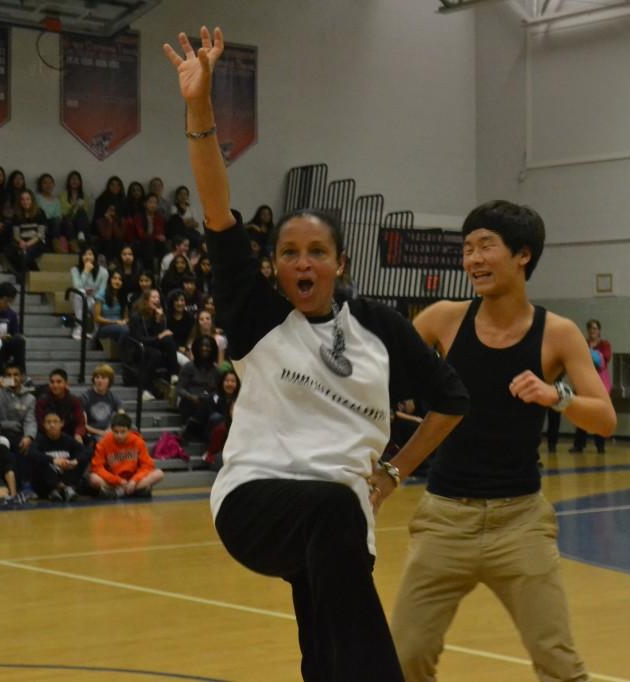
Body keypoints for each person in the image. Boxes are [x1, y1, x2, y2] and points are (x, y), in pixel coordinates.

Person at [164, 26, 470, 681]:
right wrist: (199, 108)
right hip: (256, 503)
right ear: (273, 265)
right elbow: (217, 210)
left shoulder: (380, 325)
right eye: (288, 252)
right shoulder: (257, 315)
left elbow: (452, 400)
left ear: (340, 262)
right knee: (334, 529)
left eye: (316, 252)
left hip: (342, 521)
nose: (302, 262)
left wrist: (394, 474)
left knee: (327, 644)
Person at [391, 199, 616, 681]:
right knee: (405, 657)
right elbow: (381, 378)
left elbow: (605, 419)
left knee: (558, 662)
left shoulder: (558, 333)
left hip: (521, 523)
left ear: (523, 255)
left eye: (486, 246)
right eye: (467, 248)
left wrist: (555, 396)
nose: (473, 259)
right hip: (445, 520)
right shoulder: (441, 320)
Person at [0, 363, 37, 491]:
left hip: (18, 435)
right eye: (9, 375)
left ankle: (23, 488)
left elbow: (30, 420)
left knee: (27, 447)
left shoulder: (30, 398)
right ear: (3, 377)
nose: (13, 377)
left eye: (16, 374)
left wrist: (29, 436)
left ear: (22, 377)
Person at [87, 412, 162, 498]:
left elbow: (147, 466)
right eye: (116, 432)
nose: (119, 435)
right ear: (111, 430)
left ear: (129, 430)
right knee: (93, 478)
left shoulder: (138, 442)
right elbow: (97, 467)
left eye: (123, 432)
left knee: (159, 474)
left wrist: (134, 480)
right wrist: (118, 481)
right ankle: (130, 491)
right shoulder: (103, 443)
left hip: (133, 480)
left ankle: (121, 492)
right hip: (113, 481)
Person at [569, 318, 612, 455]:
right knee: (582, 413)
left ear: (599, 331)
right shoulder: (583, 343)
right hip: (584, 381)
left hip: (599, 383)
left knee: (599, 413)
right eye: (590, 328)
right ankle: (579, 444)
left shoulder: (604, 344)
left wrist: (589, 354)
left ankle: (600, 445)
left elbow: (604, 359)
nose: (593, 331)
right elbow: (576, 360)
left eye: (595, 328)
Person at [128, 288, 179, 399]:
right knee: (155, 354)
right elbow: (139, 338)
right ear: (146, 300)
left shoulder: (158, 314)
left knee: (169, 339)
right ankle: (143, 390)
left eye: (158, 297)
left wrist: (158, 321)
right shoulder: (137, 316)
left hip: (153, 343)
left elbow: (160, 335)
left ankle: (174, 374)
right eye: (154, 297)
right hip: (139, 347)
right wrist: (159, 337)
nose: (157, 300)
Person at [29, 411, 87, 502]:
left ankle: (66, 489)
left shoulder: (68, 440)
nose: (52, 425)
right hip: (47, 483)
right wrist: (53, 460)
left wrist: (75, 461)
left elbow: (84, 452)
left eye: (55, 421)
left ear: (62, 423)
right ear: (44, 424)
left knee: (81, 460)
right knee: (40, 461)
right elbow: (32, 453)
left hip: (66, 476)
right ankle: (58, 489)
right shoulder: (39, 441)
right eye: (48, 422)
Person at [177, 335, 220, 436]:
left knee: (209, 404)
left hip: (207, 403)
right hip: (189, 402)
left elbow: (218, 392)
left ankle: (190, 427)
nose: (205, 348)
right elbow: (179, 389)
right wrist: (192, 398)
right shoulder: (188, 367)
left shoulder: (216, 371)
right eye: (202, 345)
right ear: (196, 348)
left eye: (208, 346)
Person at [35, 369, 86, 444]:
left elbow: (80, 423)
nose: (55, 385)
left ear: (66, 383)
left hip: (69, 435)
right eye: (52, 382)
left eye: (59, 382)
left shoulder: (74, 400)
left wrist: (78, 434)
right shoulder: (42, 401)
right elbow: (40, 423)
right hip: (47, 435)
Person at [5, 189, 48, 274]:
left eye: (28, 199)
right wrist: (21, 242)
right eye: (23, 199)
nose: (25, 202)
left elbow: (40, 234)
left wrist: (28, 244)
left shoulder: (40, 213)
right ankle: (29, 272)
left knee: (26, 255)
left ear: (32, 200)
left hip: (36, 242)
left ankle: (23, 275)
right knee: (9, 251)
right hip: (21, 241)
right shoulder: (17, 215)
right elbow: (16, 234)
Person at [70, 247, 108, 340]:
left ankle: (96, 331)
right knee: (80, 293)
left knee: (99, 300)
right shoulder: (75, 270)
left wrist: (95, 296)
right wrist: (86, 272)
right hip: (80, 299)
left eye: (90, 254)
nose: (87, 257)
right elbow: (77, 286)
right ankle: (79, 328)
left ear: (95, 257)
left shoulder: (103, 272)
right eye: (85, 254)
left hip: (95, 299)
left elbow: (102, 290)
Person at [80, 363, 122, 446]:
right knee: (104, 441)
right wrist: (101, 433)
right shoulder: (85, 397)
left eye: (103, 378)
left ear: (109, 380)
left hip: (110, 430)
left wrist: (111, 429)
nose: (99, 380)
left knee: (133, 432)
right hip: (92, 433)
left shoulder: (113, 397)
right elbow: (82, 425)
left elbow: (122, 416)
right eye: (97, 377)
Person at [94, 270, 131, 348]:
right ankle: (121, 353)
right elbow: (97, 318)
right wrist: (115, 321)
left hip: (120, 326)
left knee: (130, 329)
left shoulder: (123, 297)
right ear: (110, 280)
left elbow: (126, 317)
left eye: (120, 279)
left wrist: (125, 321)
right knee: (126, 330)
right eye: (114, 278)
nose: (117, 281)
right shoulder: (101, 294)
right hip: (104, 327)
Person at [59, 170, 92, 247]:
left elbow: (85, 213)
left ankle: (81, 234)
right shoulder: (62, 195)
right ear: (68, 181)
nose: (74, 181)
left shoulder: (84, 197)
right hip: (67, 220)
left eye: (77, 179)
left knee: (81, 211)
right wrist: (74, 207)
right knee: (68, 221)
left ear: (80, 182)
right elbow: (62, 213)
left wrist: (78, 208)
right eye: (72, 179)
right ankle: (77, 241)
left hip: (79, 221)